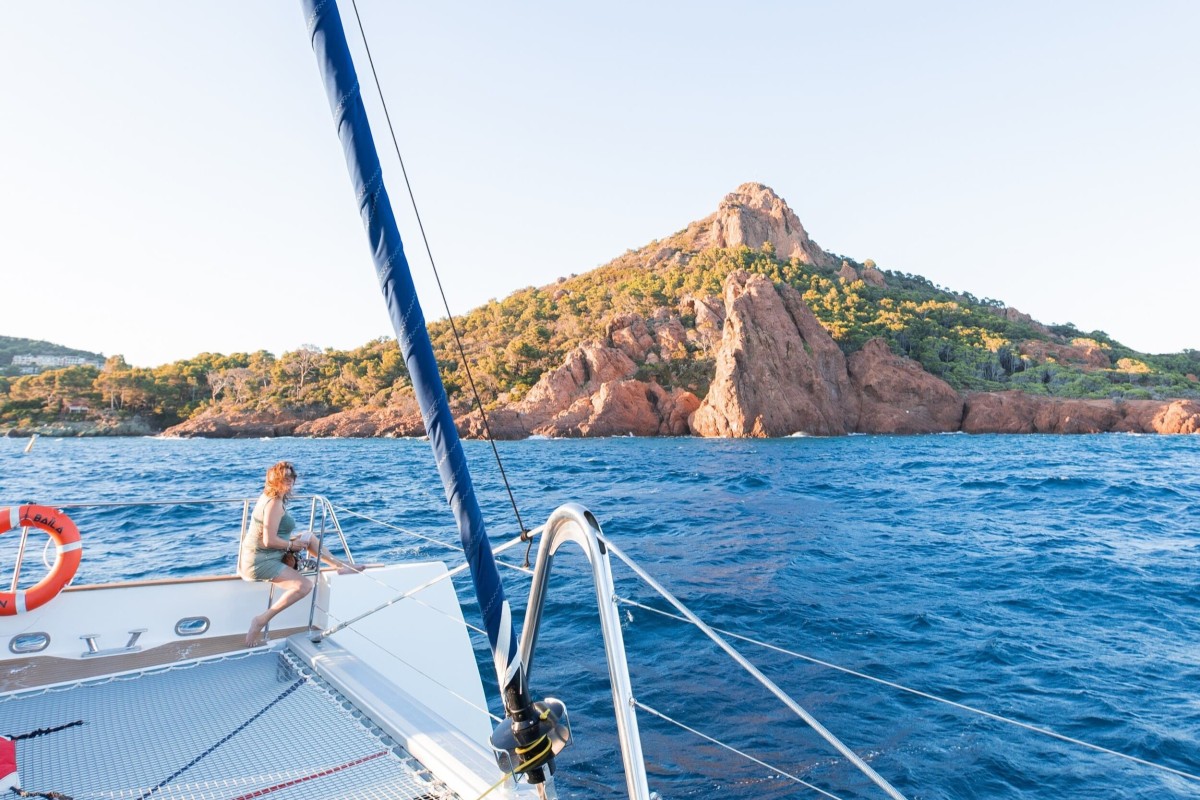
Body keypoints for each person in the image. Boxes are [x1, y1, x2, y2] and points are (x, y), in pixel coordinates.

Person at [239, 460, 361, 646]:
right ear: (274, 479)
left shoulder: (274, 498)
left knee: (309, 537)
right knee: (304, 586)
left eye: (291, 476)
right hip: (260, 561)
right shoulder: (273, 503)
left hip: (268, 553)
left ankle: (340, 566)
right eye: (284, 477)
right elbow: (268, 541)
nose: (289, 480)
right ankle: (260, 621)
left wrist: (293, 544)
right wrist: (291, 546)